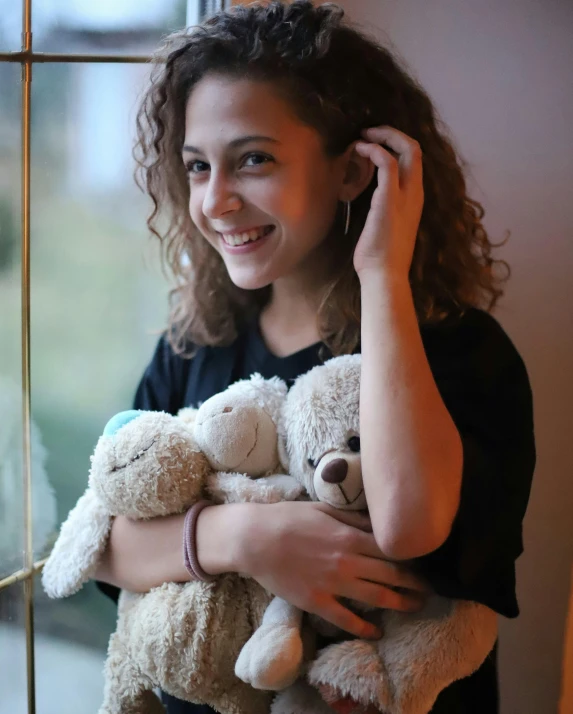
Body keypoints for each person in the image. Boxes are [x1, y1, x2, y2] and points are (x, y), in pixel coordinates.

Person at [94, 2, 536, 712]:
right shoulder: (194, 344)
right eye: (198, 166)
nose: (214, 201)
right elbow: (104, 545)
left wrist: (383, 280)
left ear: (354, 171)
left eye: (253, 160)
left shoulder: (463, 356)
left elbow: (408, 526)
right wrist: (247, 536)